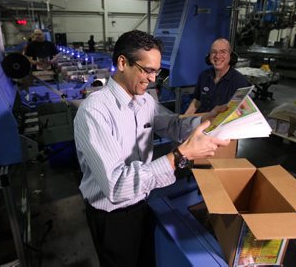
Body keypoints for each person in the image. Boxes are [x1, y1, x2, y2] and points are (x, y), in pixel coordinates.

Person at [73, 30, 230, 267]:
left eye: (157, 71)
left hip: (142, 202)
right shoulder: (94, 112)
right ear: (123, 63)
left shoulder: (145, 100)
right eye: (147, 70)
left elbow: (174, 125)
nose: (153, 79)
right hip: (111, 217)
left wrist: (207, 119)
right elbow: (117, 186)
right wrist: (181, 155)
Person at [185, 38, 250, 115]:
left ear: (231, 56)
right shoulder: (204, 76)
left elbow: (244, 112)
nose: (217, 56)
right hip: (200, 120)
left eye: (223, 52)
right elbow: (197, 101)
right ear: (209, 56)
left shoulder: (240, 82)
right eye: (214, 52)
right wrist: (184, 119)